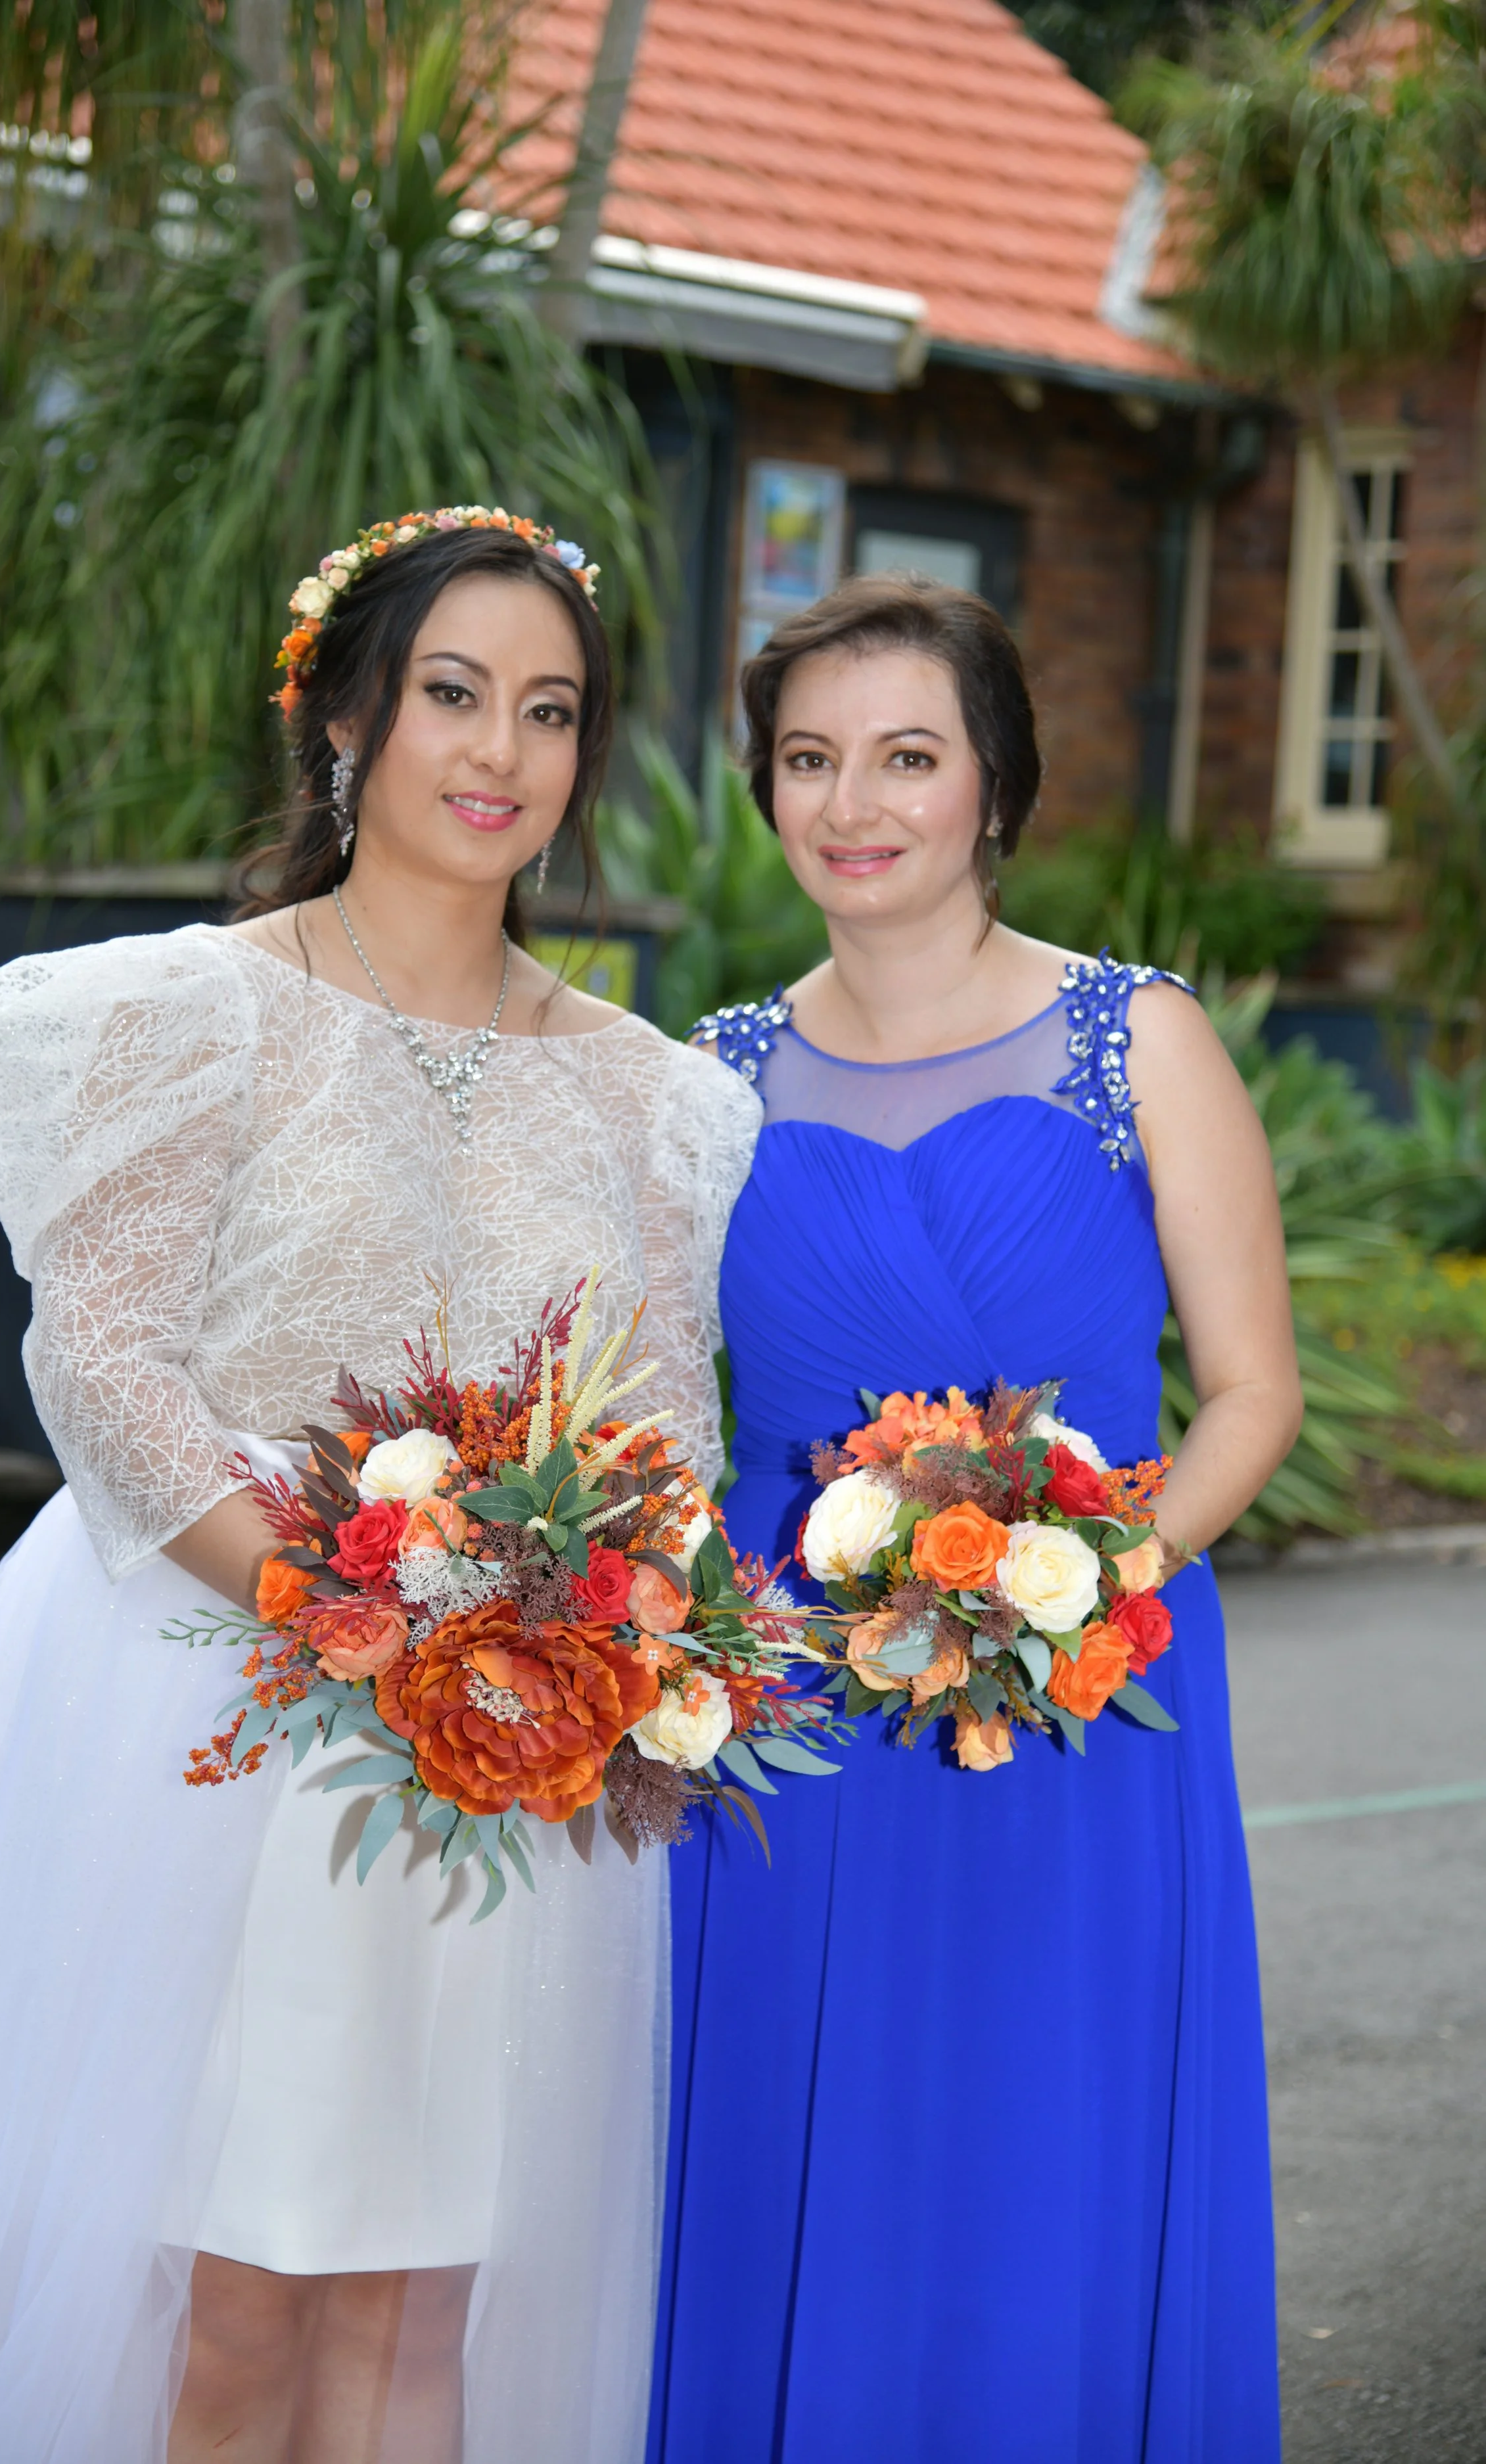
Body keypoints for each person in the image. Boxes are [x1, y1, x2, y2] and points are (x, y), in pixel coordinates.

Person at [0, 511, 758, 2464]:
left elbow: (666, 1438)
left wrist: (582, 1638)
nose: (498, 750)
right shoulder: (191, 1010)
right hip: (217, 1707)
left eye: (548, 709)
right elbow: (100, 1356)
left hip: (510, 1738)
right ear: (343, 716)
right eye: (449, 694)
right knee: (230, 2307)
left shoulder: (649, 1094)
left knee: (428, 2316)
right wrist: (328, 1611)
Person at [651, 573, 1297, 2464]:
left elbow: (1252, 1390)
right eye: (808, 757)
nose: (851, 801)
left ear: (992, 784)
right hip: (789, 1726)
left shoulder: (1137, 1039)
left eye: (905, 756)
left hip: (1076, 1700)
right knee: (793, 2151)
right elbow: (666, 1420)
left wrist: (1089, 1579)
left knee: (1044, 2151)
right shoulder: (708, 1078)